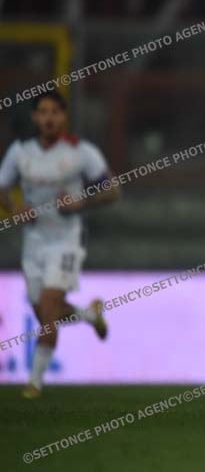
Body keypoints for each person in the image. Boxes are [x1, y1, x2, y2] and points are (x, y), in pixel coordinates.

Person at [0, 90, 120, 398]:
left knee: (50, 305)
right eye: (43, 112)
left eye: (54, 112)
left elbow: (112, 190)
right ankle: (89, 315)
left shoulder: (81, 152)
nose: (49, 118)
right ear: (35, 117)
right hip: (34, 241)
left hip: (66, 239)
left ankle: (34, 383)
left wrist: (81, 203)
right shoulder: (20, 151)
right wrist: (15, 209)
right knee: (45, 313)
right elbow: (2, 187)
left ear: (63, 116)